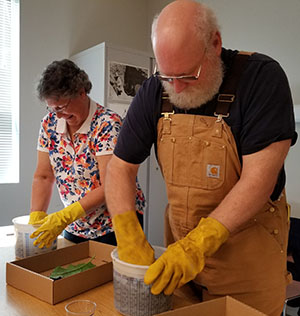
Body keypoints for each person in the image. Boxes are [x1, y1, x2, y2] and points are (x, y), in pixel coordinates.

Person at [104, 1, 298, 315]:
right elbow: (120, 168)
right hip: (180, 265)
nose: (176, 87)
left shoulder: (262, 78)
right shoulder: (155, 89)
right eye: (167, 76)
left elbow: (259, 180)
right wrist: (127, 232)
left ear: (215, 43)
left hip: (247, 266)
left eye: (188, 75)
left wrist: (198, 244)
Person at [29, 59, 145, 248]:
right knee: (74, 273)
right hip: (75, 225)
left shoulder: (107, 124)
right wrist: (37, 218)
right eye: (51, 108)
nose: (57, 115)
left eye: (61, 107)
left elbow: (111, 185)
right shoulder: (48, 124)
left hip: (113, 223)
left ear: (81, 93)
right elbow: (43, 176)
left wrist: (64, 216)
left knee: (109, 275)